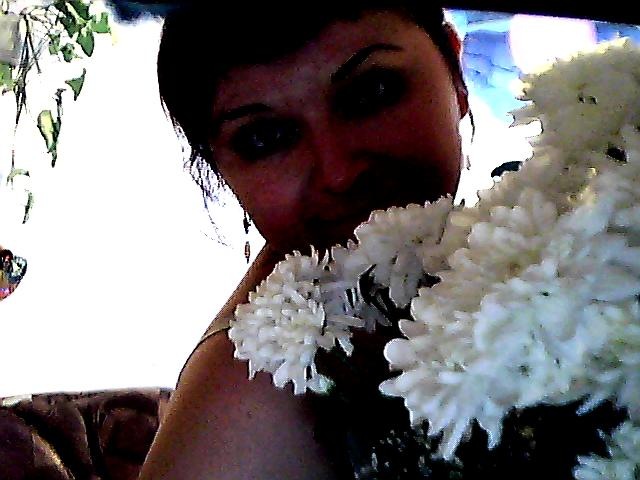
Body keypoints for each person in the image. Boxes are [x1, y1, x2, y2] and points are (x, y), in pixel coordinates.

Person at [139, 1, 469, 478]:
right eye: (265, 138)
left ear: (456, 72)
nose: (339, 173)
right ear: (221, 168)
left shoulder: (549, 242)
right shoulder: (253, 400)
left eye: (371, 93)